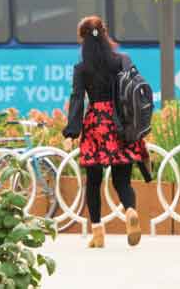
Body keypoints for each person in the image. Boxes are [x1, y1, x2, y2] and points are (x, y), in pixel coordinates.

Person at [63, 15, 148, 248]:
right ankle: (130, 210)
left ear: (83, 40)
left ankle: (98, 233)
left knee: (93, 181)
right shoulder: (121, 60)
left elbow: (77, 99)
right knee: (122, 180)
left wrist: (71, 133)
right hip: (121, 122)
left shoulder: (82, 68)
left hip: (96, 126)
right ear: (105, 34)